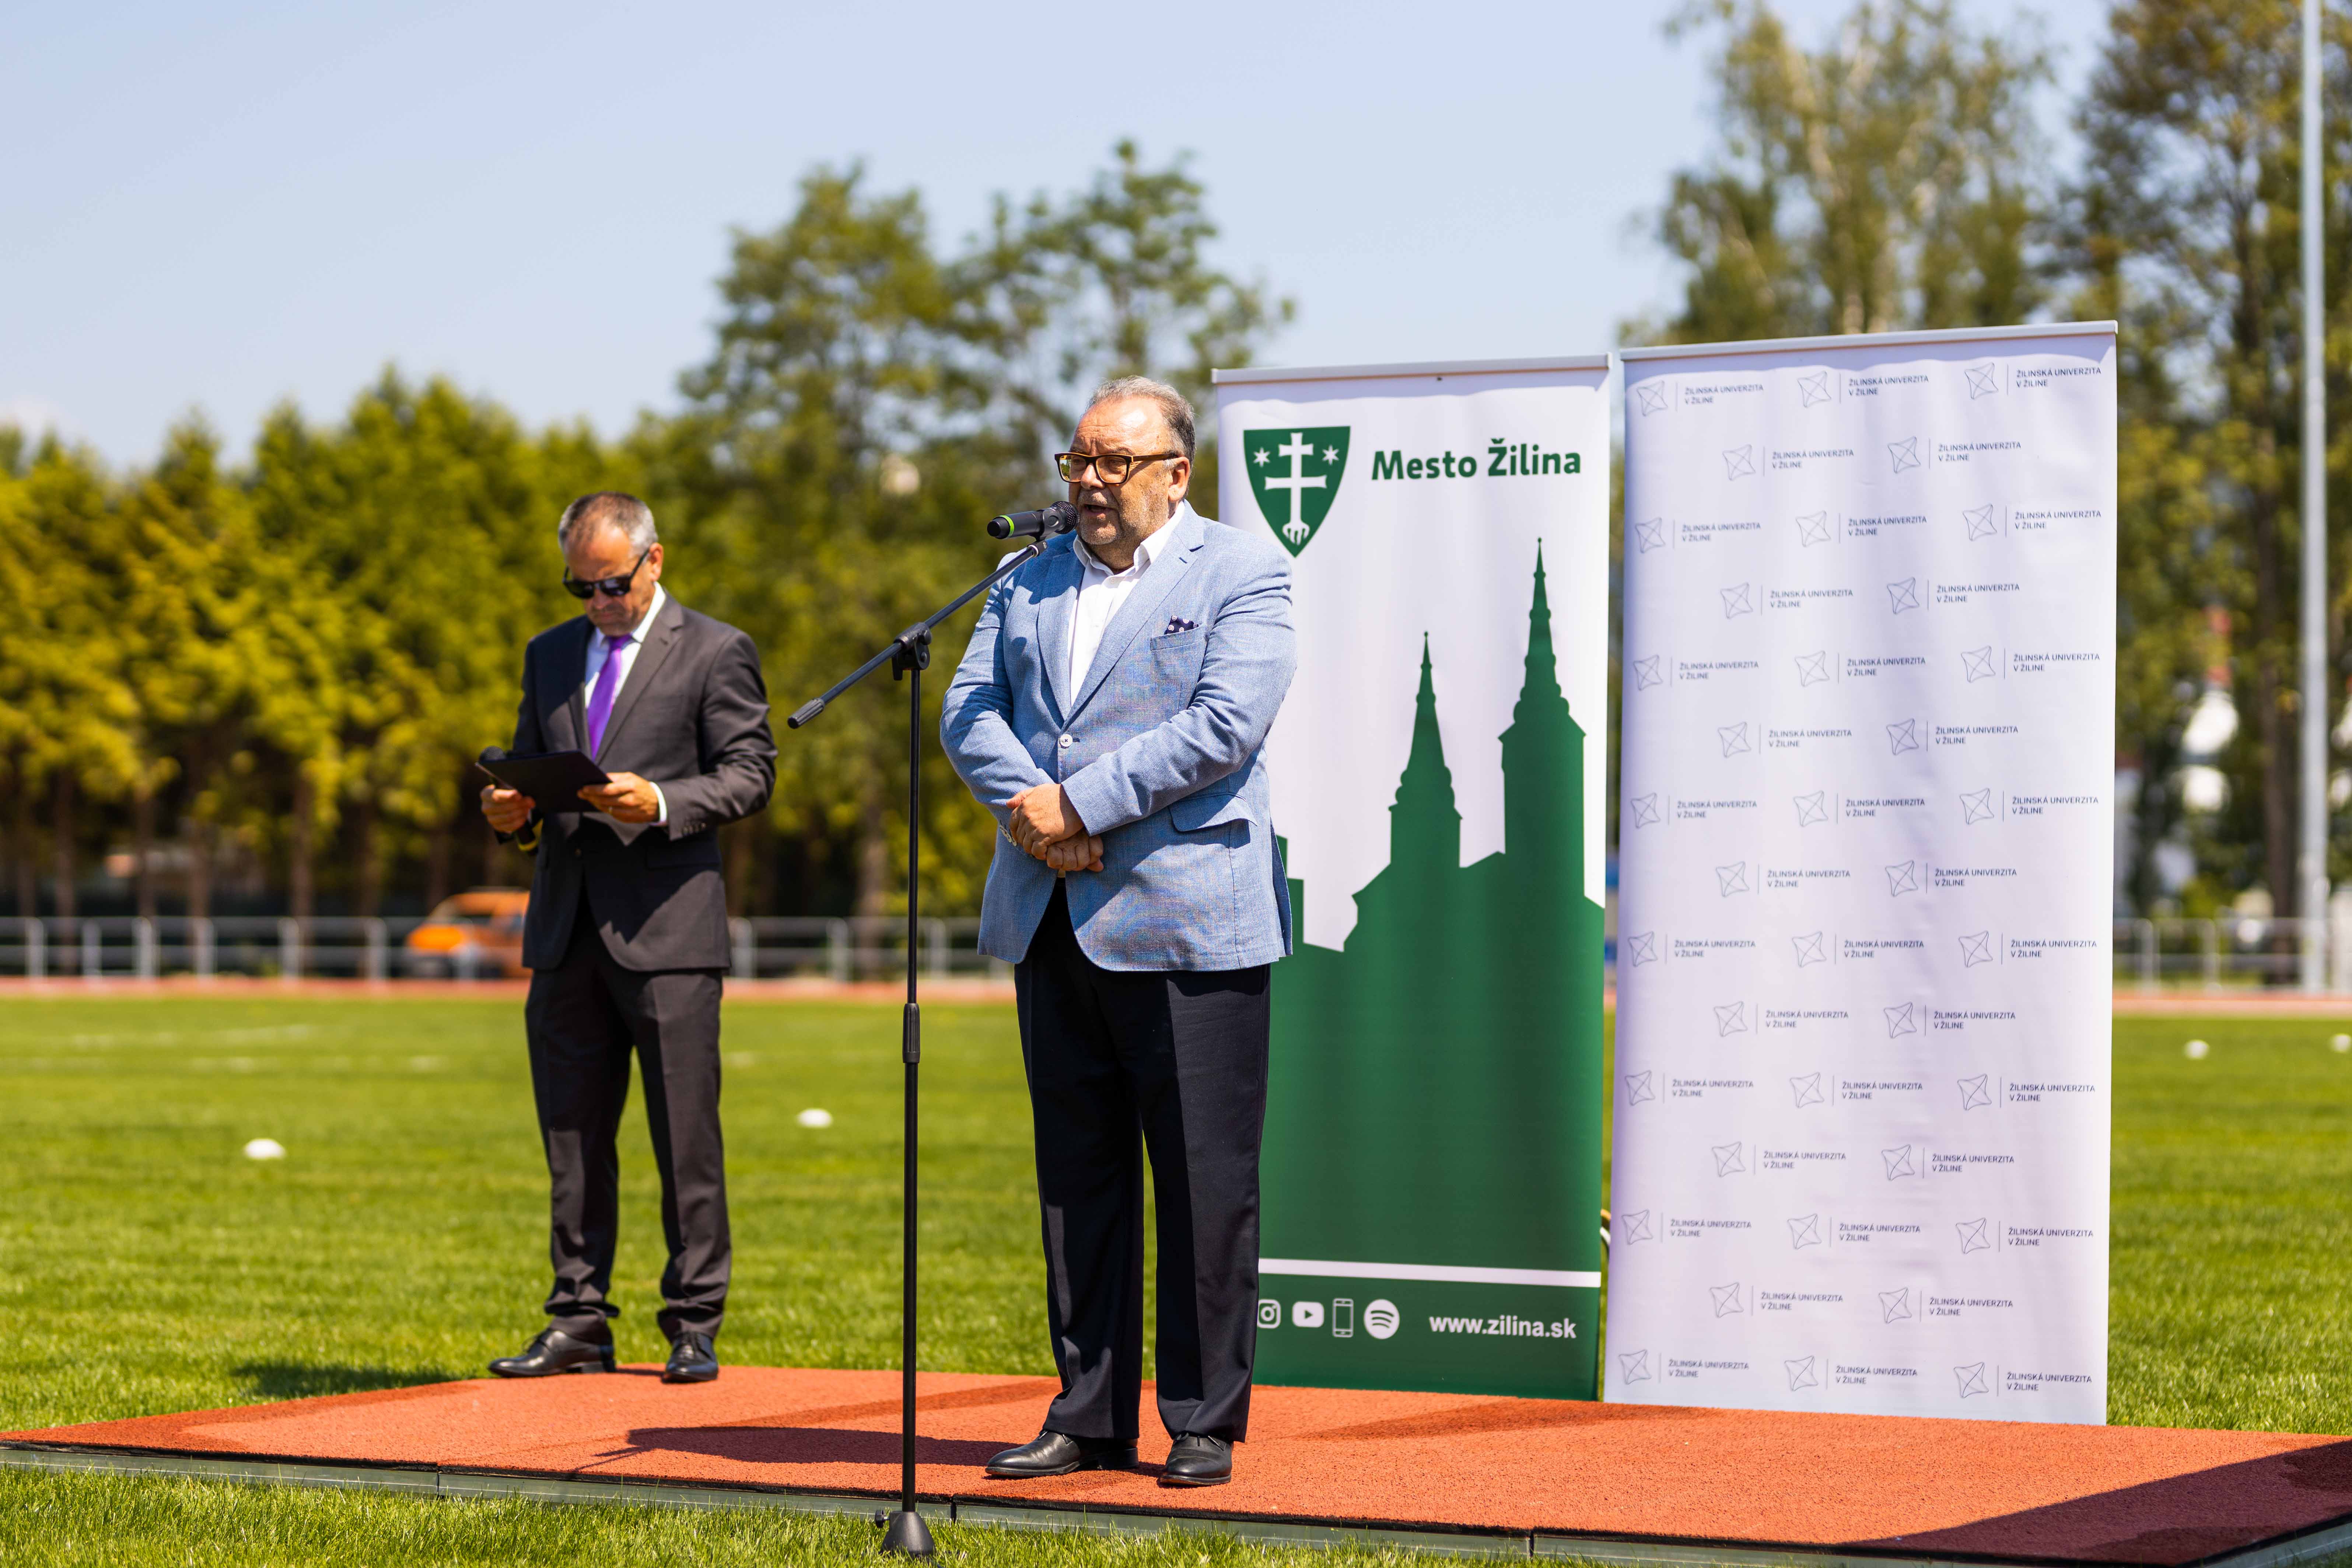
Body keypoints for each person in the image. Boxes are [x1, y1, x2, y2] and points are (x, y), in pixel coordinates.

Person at [941, 377, 1297, 1487]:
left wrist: (1080, 807)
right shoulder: (1026, 577)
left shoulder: (1243, 571)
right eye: (1078, 461)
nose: (1090, 481)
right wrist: (1035, 815)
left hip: (1189, 922)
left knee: (1203, 1185)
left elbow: (1225, 725)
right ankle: (1089, 1414)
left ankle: (1202, 1419)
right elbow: (968, 708)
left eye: (1115, 462)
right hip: (1053, 916)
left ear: (1177, 474)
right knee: (1078, 1181)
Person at [479, 491, 775, 1383]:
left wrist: (662, 802)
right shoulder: (548, 654)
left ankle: (693, 1322)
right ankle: (577, 1318)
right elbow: (532, 768)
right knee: (571, 1137)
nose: (598, 603)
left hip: (670, 931)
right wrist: (512, 811)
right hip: (565, 929)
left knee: (685, 1136)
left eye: (611, 584)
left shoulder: (716, 649)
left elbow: (751, 774)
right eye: (581, 587)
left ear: (654, 560)